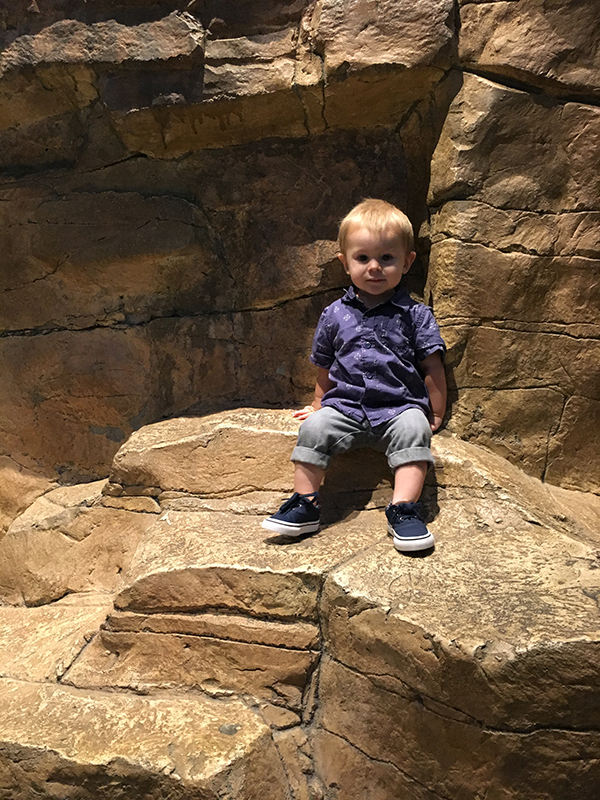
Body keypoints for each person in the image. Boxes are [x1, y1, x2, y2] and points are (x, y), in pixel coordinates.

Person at [263, 199, 447, 552]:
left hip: (399, 407)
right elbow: (325, 363)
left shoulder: (416, 315)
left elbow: (432, 366)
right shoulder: (334, 314)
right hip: (345, 407)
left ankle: (404, 509)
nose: (374, 267)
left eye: (387, 258)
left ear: (407, 262)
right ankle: (305, 504)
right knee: (314, 429)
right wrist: (318, 403)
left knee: (414, 430)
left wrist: (434, 412)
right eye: (362, 258)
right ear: (345, 263)